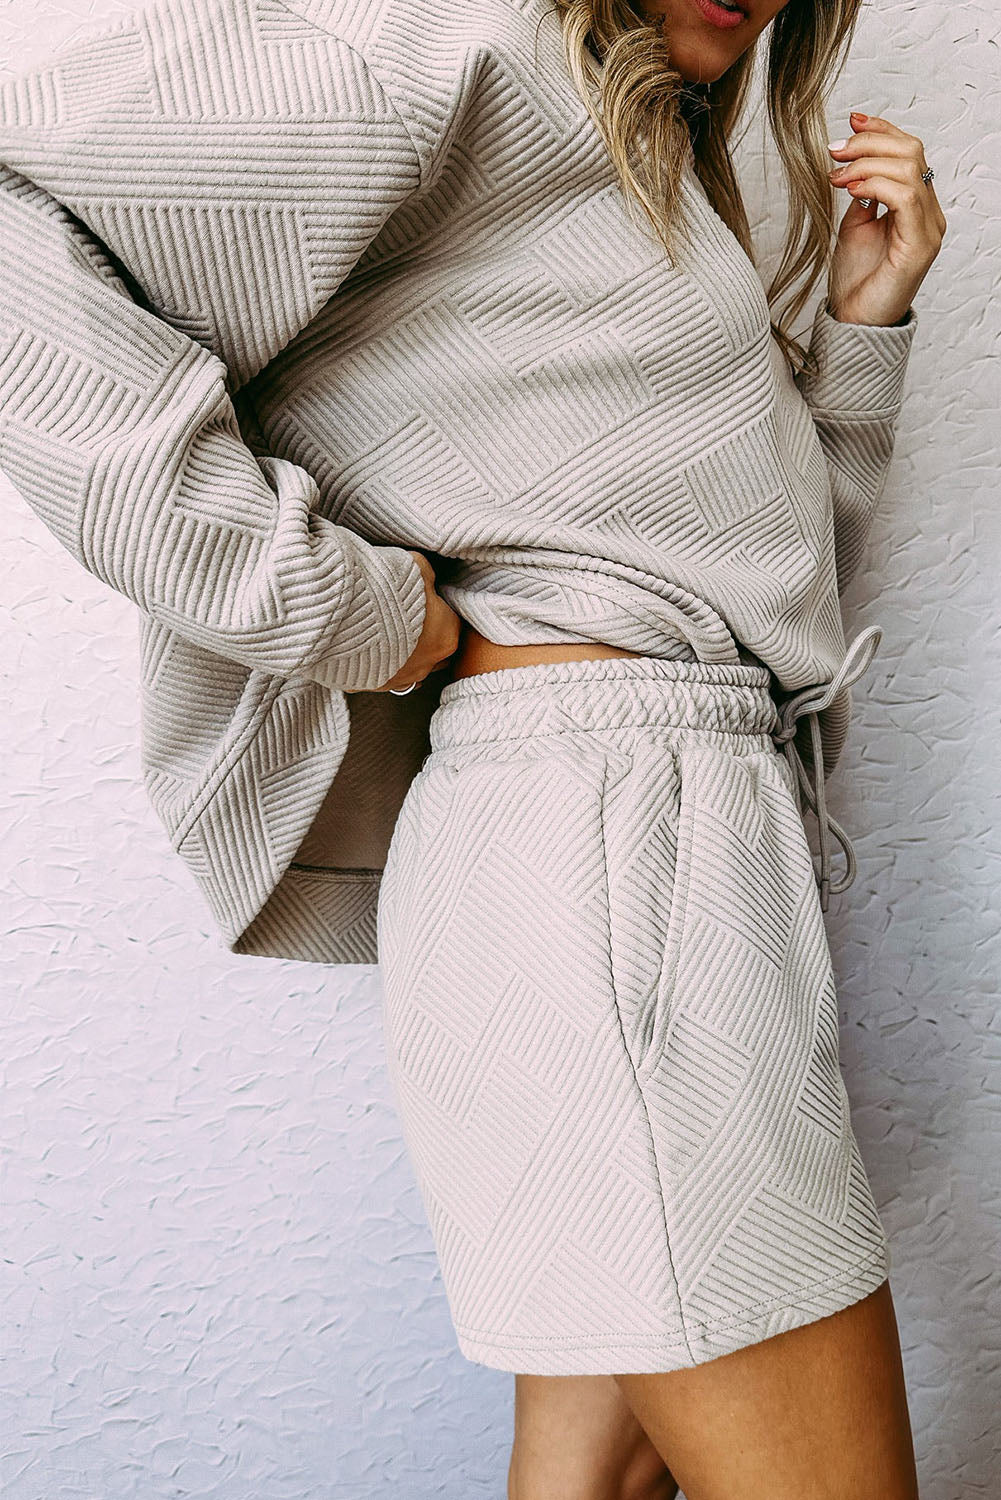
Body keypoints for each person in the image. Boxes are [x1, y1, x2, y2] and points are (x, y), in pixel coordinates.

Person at [0, 0, 944, 1495]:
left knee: (597, 1479)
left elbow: (745, 583)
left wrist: (859, 333)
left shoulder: (624, 146)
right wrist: (340, 608)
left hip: (641, 844)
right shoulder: (447, 45)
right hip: (612, 857)